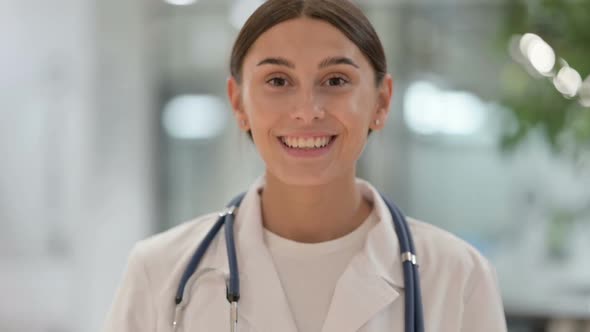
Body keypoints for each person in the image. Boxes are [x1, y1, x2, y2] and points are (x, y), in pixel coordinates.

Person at [102, 0, 507, 331]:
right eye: (278, 81)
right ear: (239, 103)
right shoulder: (159, 272)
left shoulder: (458, 277)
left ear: (381, 102)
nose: (307, 111)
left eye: (335, 81)